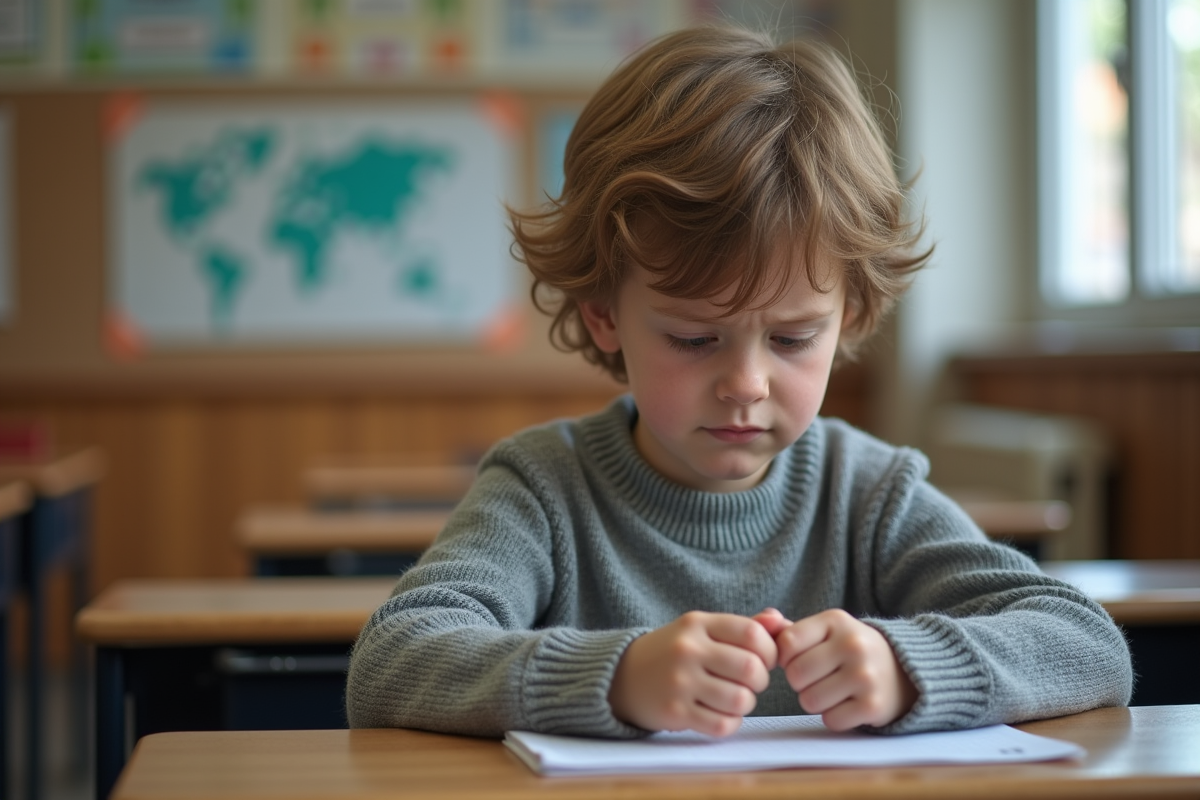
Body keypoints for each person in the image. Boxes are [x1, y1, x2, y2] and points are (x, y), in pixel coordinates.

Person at [346, 24, 1131, 739]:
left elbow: (1087, 645)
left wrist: (906, 666)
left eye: (793, 337)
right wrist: (613, 679)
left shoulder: (869, 493)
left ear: (850, 312)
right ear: (602, 317)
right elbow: (391, 662)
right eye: (694, 338)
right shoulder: (542, 489)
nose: (747, 383)